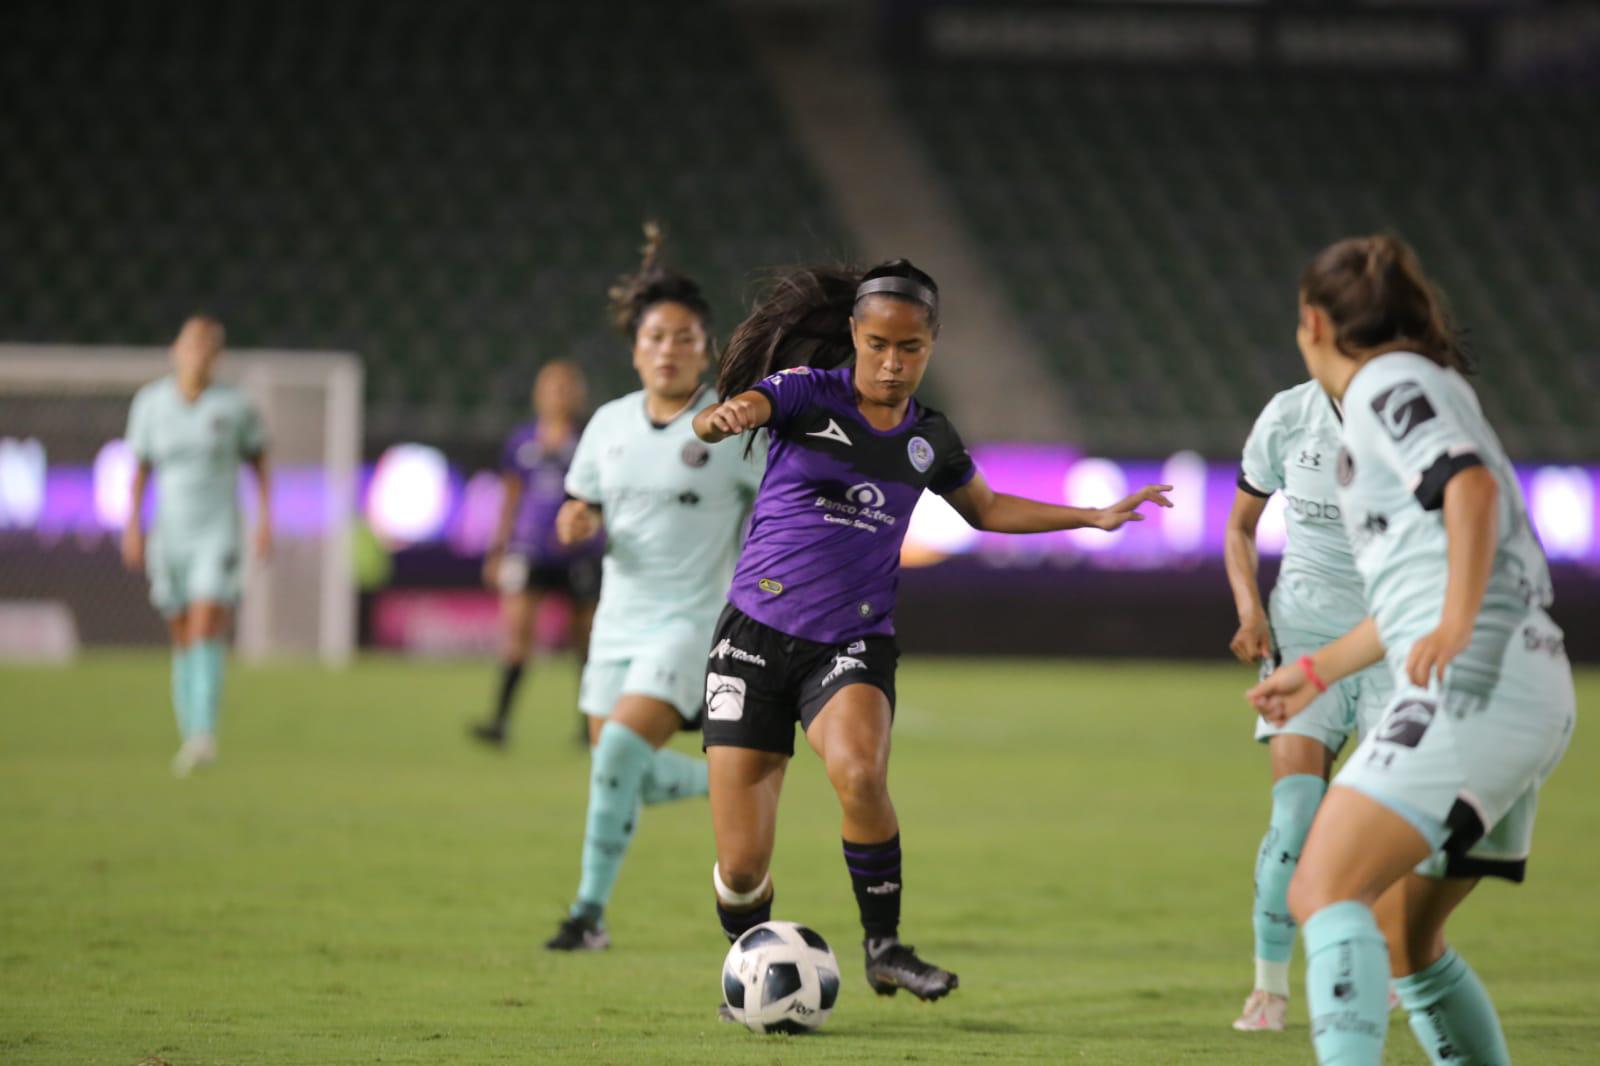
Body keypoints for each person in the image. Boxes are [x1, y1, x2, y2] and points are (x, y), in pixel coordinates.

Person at [693, 259, 1172, 1003]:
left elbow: (986, 510)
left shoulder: (928, 439)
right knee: (744, 867)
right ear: (854, 333)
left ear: (931, 345)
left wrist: (1094, 516)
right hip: (753, 639)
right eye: (877, 342)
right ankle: (751, 972)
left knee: (859, 771)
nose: (891, 361)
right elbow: (743, 406)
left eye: (909, 348)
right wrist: (722, 416)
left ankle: (885, 947)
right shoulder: (803, 394)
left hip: (851, 641)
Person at [1249, 234, 1574, 1065]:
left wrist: (1458, 620)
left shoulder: (1386, 385)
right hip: (1521, 684)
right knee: (1404, 941)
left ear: (1313, 323)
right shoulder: (1423, 386)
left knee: (1323, 889)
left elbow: (1467, 484)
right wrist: (1317, 669)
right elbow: (1415, 588)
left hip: (1476, 686)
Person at [544, 226, 764, 951]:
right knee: (622, 771)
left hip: (693, 623)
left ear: (707, 348)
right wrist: (577, 519)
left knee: (613, 760)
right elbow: (582, 507)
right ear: (636, 347)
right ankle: (734, 778)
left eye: (684, 337)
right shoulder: (607, 424)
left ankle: (585, 916)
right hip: (618, 624)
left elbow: (779, 512)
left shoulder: (732, 431)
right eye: (656, 337)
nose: (668, 348)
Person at [1224, 380, 1393, 1031]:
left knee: (1387, 825)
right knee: (1295, 813)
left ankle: (1393, 965)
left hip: (1391, 639)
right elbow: (1240, 525)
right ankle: (1269, 988)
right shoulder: (1289, 415)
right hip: (1304, 634)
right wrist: (1250, 609)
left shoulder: (1413, 415)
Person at [121, 316, 271, 777]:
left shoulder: (235, 407)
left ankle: (204, 733)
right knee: (182, 632)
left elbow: (259, 460)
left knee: (207, 624)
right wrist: (133, 525)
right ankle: (191, 732)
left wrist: (266, 519)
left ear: (217, 356)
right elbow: (141, 469)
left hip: (218, 530)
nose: (199, 353)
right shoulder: (150, 404)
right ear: (176, 351)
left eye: (209, 347)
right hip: (171, 532)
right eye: (193, 345)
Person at [471, 360, 600, 747]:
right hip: (529, 551)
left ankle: (587, 727)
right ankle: (499, 722)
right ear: (538, 393)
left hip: (579, 553)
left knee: (585, 641)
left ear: (578, 394)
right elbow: (510, 498)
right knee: (517, 635)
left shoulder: (590, 439)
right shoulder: (521, 441)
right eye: (551, 386)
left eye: (566, 386)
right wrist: (498, 550)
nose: (559, 393)